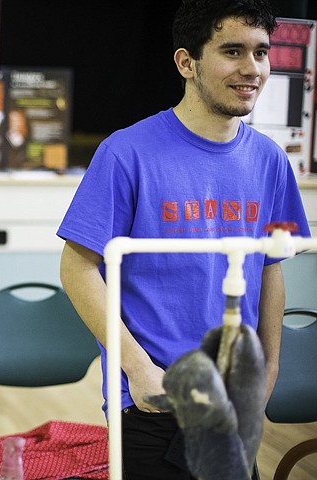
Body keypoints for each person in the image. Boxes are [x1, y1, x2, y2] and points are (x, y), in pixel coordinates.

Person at [57, 0, 310, 478]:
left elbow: (272, 269)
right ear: (186, 62)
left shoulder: (271, 162)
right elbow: (77, 267)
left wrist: (269, 371)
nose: (251, 68)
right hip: (155, 398)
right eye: (232, 51)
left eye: (261, 52)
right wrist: (137, 370)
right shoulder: (126, 152)